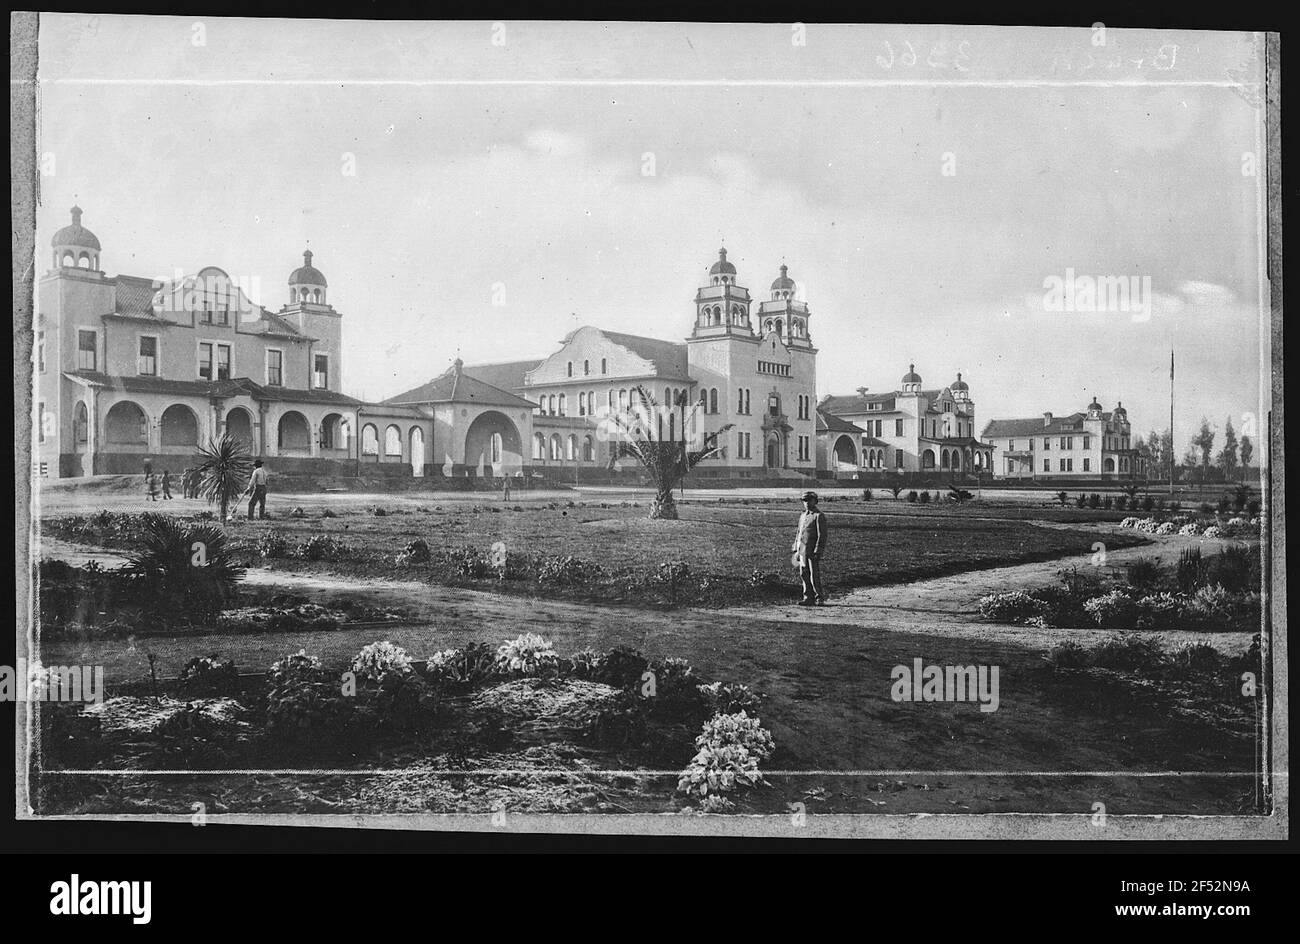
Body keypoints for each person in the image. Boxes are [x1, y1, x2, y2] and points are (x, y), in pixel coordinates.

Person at [791, 490, 828, 605]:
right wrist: (796, 548)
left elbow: (822, 535)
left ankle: (819, 598)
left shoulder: (818, 516)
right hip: (802, 550)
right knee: (804, 573)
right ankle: (808, 597)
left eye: (809, 500)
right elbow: (799, 532)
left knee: (814, 575)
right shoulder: (803, 516)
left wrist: (818, 550)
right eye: (804, 500)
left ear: (814, 501)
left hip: (812, 550)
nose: (806, 503)